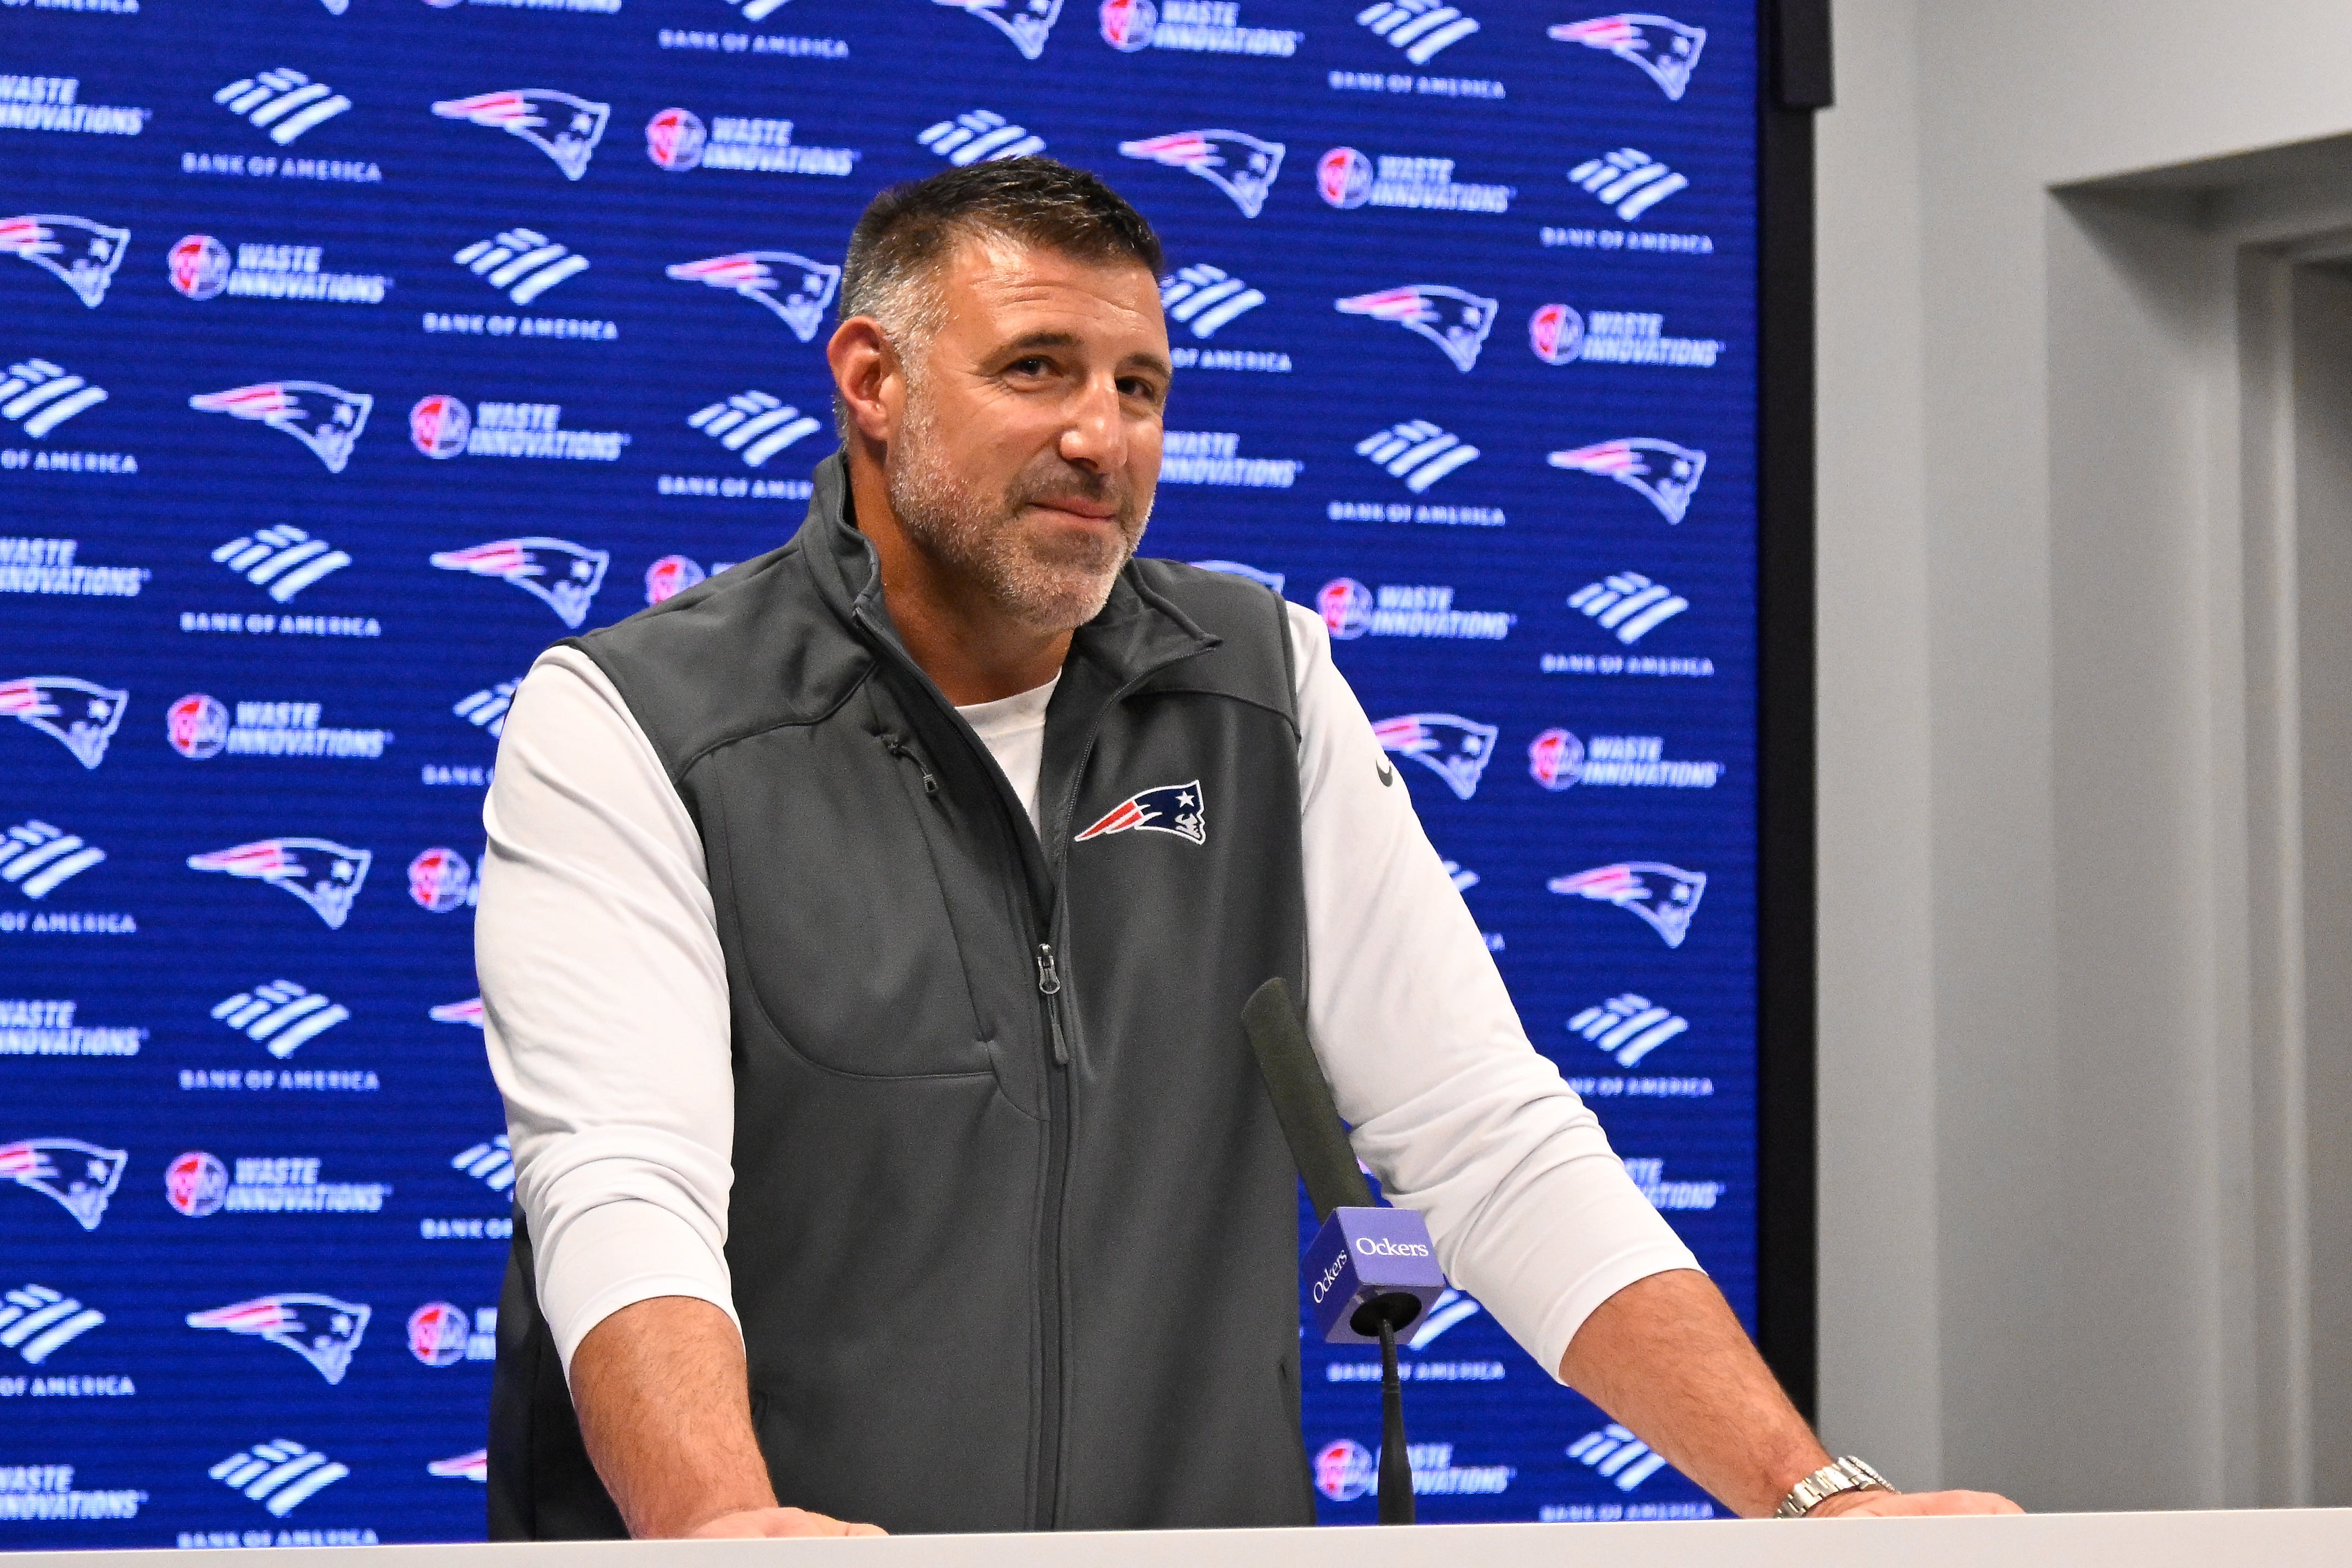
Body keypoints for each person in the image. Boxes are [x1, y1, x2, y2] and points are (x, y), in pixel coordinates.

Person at [476, 159, 2018, 1539]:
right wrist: (723, 1534)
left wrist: (1813, 1498)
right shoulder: (637, 718)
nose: (1103, 435)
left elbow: (1482, 1132)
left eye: (1141, 386)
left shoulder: (1259, 680)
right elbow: (622, 1186)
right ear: (873, 381)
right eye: (1038, 369)